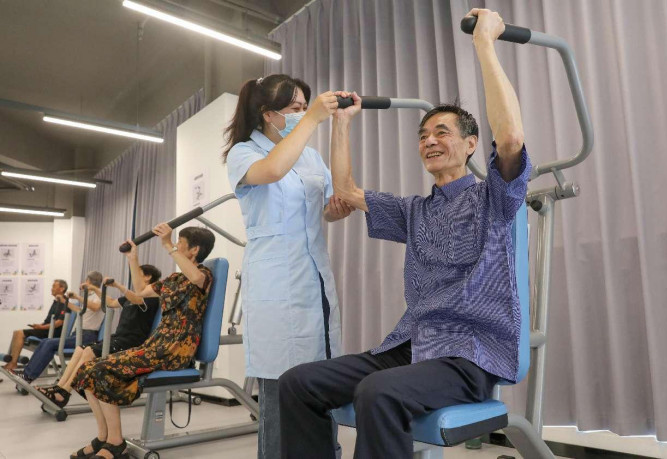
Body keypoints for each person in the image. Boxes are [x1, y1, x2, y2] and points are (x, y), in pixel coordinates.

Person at [279, 9, 531, 458]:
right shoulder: (413, 211)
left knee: (379, 392)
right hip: (411, 346)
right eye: (422, 135)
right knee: (299, 382)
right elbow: (346, 192)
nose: (429, 141)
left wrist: (484, 44)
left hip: (468, 355)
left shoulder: (495, 199)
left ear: (471, 144)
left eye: (442, 132)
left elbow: (510, 138)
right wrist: (342, 123)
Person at [223, 74, 353, 458]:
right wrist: (312, 118)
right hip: (276, 286)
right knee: (282, 393)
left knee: (322, 383)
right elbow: (273, 171)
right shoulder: (244, 153)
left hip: (314, 281)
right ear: (267, 114)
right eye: (294, 109)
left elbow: (333, 202)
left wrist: (340, 126)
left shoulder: (310, 156)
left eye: (304, 107)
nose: (301, 114)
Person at [70, 225, 214, 459]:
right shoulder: (174, 279)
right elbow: (140, 291)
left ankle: (116, 444)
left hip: (174, 350)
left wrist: (167, 244)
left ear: (194, 250)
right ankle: (104, 438)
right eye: (175, 243)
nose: (176, 245)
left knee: (100, 370)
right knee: (87, 370)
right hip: (156, 346)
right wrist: (132, 259)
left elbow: (196, 276)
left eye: (180, 243)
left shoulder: (203, 275)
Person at [37, 264, 162, 408]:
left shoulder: (152, 296)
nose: (134, 276)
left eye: (137, 273)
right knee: (79, 349)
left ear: (148, 277)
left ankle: (64, 393)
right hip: (118, 338)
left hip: (132, 342)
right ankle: (60, 387)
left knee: (89, 351)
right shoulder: (129, 297)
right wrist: (95, 289)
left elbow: (137, 299)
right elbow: (109, 302)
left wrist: (117, 285)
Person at [17, 272, 104, 383]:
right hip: (78, 334)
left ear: (88, 281)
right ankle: (26, 373)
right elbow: (79, 311)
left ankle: (28, 376)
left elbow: (96, 307)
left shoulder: (99, 296)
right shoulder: (90, 297)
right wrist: (64, 301)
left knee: (49, 343)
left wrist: (77, 297)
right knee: (45, 341)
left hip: (87, 336)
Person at [2, 279, 68, 371]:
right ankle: (12, 361)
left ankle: (13, 363)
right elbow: (49, 321)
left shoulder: (64, 303)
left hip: (53, 333)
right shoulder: (56, 302)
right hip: (47, 330)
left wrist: (41, 327)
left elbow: (59, 323)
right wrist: (39, 325)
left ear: (62, 289)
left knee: (19, 333)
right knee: (16, 333)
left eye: (54, 286)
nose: (51, 289)